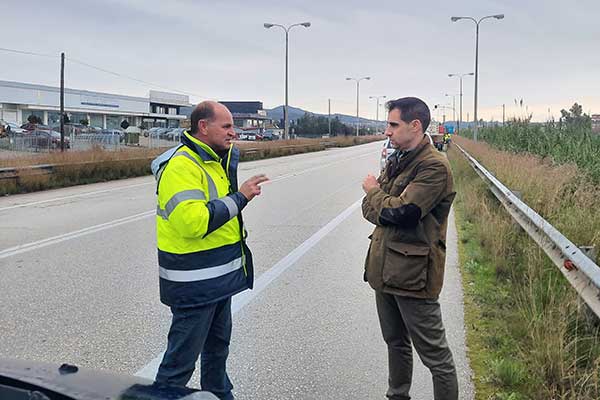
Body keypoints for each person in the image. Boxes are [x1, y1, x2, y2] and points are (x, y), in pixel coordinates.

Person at [151, 101, 269, 400]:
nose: (234, 132)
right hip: (194, 285)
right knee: (178, 366)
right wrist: (241, 197)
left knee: (217, 352)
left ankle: (219, 395)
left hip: (216, 281)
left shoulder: (212, 162)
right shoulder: (182, 166)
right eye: (226, 126)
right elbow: (194, 223)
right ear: (203, 127)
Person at [361, 97, 458, 400]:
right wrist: (381, 202)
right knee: (395, 342)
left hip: (413, 276)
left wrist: (374, 192)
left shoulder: (433, 166)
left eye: (393, 124)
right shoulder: (399, 159)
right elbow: (371, 209)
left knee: (436, 358)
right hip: (384, 270)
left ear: (415, 126)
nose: (387, 131)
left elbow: (403, 213)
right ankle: (397, 395)